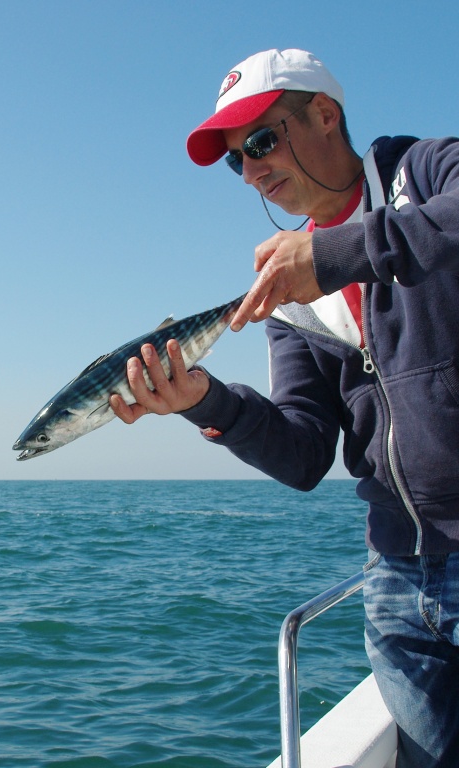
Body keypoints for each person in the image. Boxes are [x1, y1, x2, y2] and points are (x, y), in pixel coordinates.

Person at [109, 48, 459, 767]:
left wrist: (335, 256)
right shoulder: (289, 288)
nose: (254, 170)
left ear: (324, 114)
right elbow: (303, 454)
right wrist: (205, 401)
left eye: (262, 141)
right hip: (396, 578)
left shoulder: (423, 173)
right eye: (239, 161)